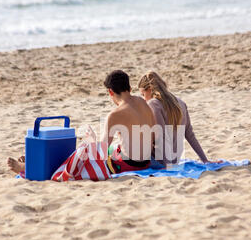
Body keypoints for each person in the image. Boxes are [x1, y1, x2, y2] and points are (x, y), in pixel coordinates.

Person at [8, 70, 156, 177]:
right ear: (129, 88)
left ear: (110, 92)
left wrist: (90, 141)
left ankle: (29, 168)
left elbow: (101, 154)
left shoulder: (115, 115)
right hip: (145, 162)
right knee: (113, 147)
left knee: (79, 155)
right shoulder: (143, 102)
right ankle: (36, 160)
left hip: (126, 165)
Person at [138, 71, 217, 166]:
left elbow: (161, 136)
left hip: (160, 161)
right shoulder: (181, 103)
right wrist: (205, 160)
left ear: (149, 89)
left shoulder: (153, 104)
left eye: (143, 94)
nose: (144, 99)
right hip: (175, 160)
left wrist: (167, 165)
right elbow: (190, 135)